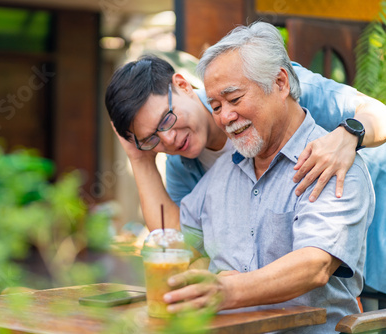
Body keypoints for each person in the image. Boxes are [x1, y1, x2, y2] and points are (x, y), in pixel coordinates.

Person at [105, 44, 386, 307]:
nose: (168, 139)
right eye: (152, 138)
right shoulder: (184, 162)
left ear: (182, 85)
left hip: (367, 226)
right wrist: (139, 158)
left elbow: (378, 114)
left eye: (166, 120)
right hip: (277, 296)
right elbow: (177, 239)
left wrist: (348, 135)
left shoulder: (267, 82)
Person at [159, 22, 374, 333]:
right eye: (216, 106)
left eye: (234, 99)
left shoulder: (334, 163)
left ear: (280, 82)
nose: (225, 117)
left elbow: (314, 266)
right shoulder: (222, 172)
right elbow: (180, 245)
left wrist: (227, 291)